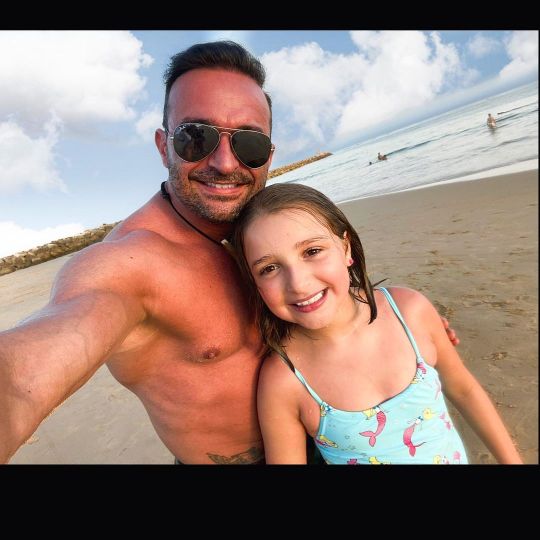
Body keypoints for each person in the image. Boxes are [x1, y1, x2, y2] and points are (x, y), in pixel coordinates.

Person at [0, 41, 459, 465]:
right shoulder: (129, 265)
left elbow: (325, 284)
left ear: (268, 155)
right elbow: (22, 377)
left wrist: (402, 324)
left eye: (248, 143)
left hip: (336, 436)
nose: (224, 163)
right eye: (195, 137)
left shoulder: (259, 226)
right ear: (163, 145)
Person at [230, 183, 523, 464]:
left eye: (312, 251)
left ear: (346, 248)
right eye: (269, 268)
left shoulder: (410, 312)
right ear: (255, 284)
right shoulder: (284, 381)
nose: (299, 283)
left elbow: (464, 390)